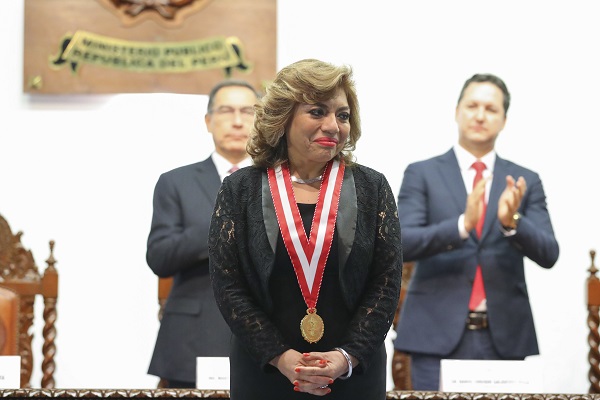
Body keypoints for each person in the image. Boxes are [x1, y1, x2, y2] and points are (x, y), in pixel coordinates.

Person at [208, 59, 403, 399]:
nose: (333, 126)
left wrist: (346, 357)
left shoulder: (372, 187)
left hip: (351, 377)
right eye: (317, 112)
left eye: (343, 115)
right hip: (266, 374)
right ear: (283, 118)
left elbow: (386, 283)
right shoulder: (241, 188)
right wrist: (281, 357)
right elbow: (228, 285)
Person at [393, 73, 560, 390]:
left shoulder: (525, 180)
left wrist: (512, 222)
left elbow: (549, 253)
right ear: (457, 111)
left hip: (505, 338)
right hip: (434, 334)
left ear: (504, 120)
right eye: (472, 106)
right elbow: (401, 243)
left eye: (491, 109)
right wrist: (462, 225)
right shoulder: (422, 173)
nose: (480, 115)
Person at [146, 79, 261, 388]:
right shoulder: (176, 182)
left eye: (248, 111)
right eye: (226, 111)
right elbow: (159, 257)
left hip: (265, 337)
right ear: (208, 121)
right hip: (192, 338)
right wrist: (218, 227)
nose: (237, 121)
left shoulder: (279, 181)